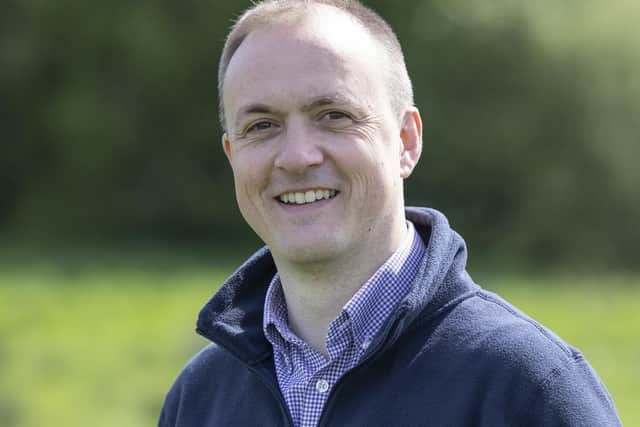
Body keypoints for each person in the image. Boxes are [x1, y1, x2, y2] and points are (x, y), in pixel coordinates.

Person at [159, 1, 621, 426]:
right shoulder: (198, 399)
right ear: (232, 155)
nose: (296, 156)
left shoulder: (528, 388)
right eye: (262, 126)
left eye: (333, 115)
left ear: (406, 141)